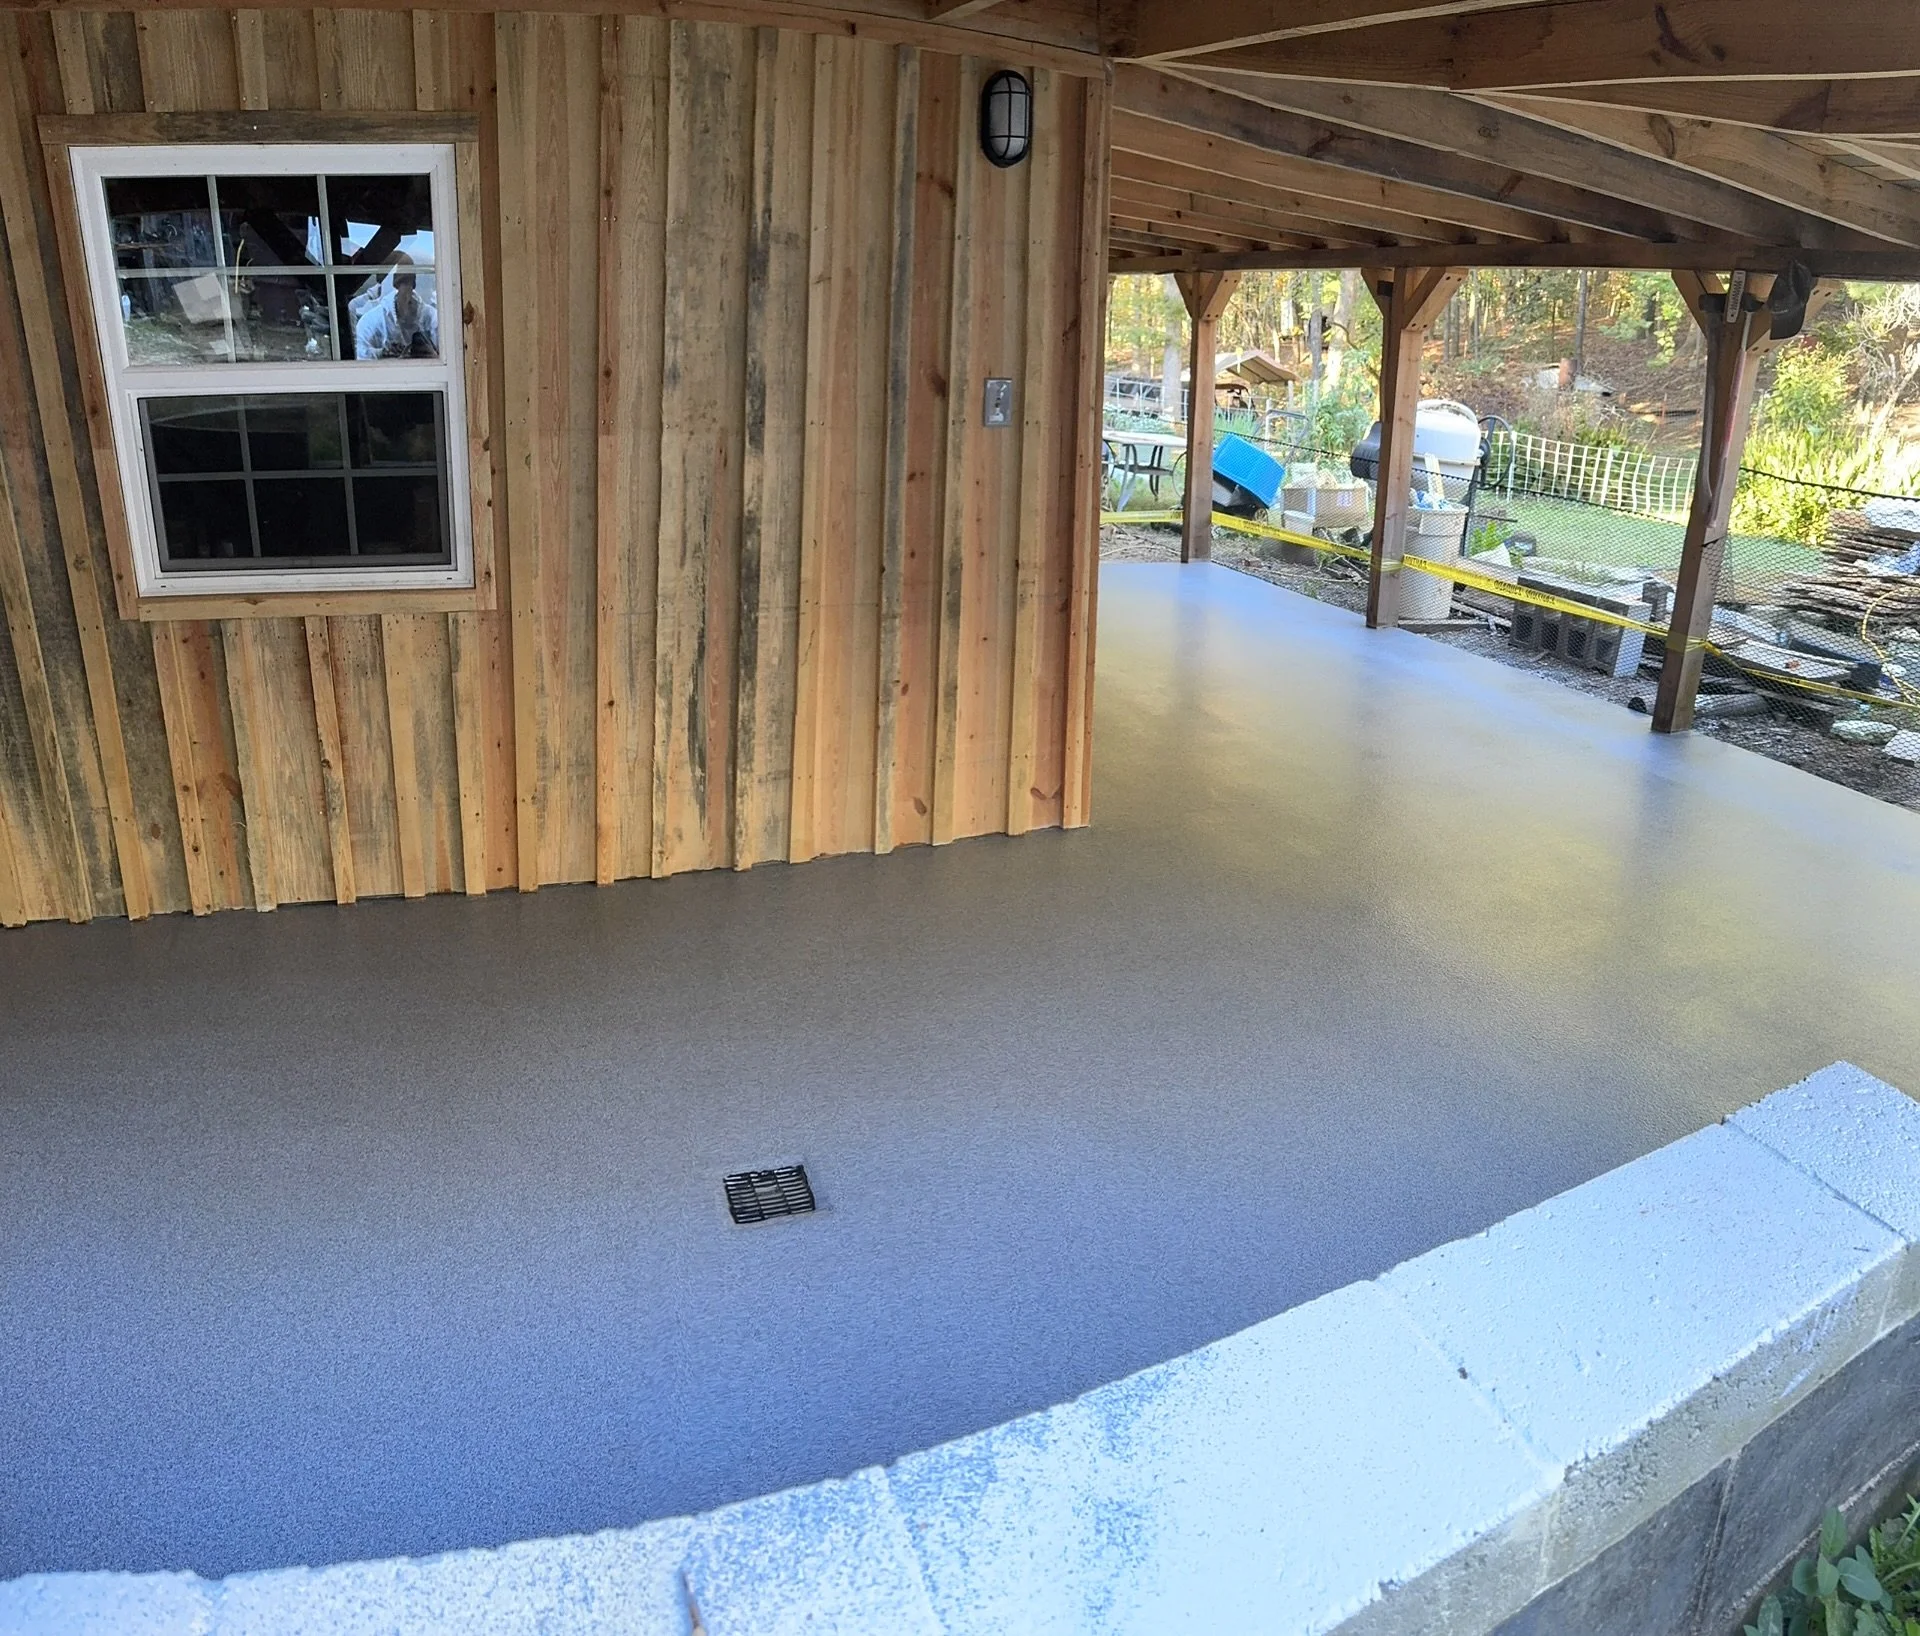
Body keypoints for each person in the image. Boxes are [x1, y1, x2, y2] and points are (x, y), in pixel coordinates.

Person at [353, 256, 438, 360]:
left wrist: (431, 355)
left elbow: (448, 357)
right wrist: (383, 353)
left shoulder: (432, 319)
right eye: (403, 283)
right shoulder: (371, 323)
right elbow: (361, 360)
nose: (406, 291)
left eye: (409, 283)